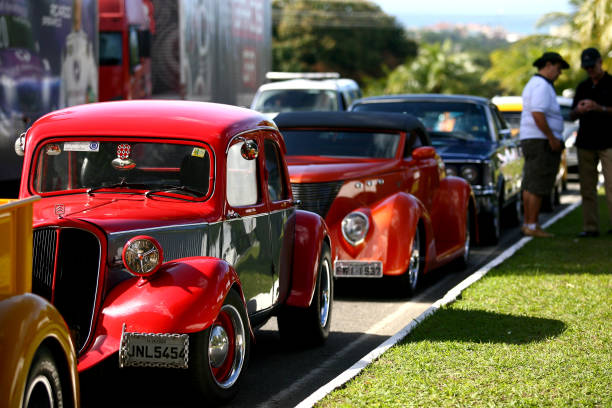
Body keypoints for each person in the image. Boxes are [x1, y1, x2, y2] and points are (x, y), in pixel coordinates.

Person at [519, 52, 569, 237]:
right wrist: (551, 137)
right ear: (548, 65)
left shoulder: (537, 84)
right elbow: (538, 113)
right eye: (558, 68)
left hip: (535, 138)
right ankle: (532, 224)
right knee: (537, 183)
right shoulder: (541, 85)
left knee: (531, 182)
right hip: (540, 140)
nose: (559, 73)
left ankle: (530, 223)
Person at [569, 48, 612, 237]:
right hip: (585, 142)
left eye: (592, 66)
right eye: (586, 68)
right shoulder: (582, 87)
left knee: (611, 186)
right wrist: (579, 109)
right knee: (587, 187)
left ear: (600, 62)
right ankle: (590, 227)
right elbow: (571, 115)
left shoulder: (611, 83)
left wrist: (599, 108)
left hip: (608, 141)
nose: (590, 71)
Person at [59, 0, 98, 108]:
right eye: (75, 11)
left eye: (79, 12)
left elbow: (92, 78)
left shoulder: (86, 44)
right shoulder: (67, 44)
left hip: (83, 104)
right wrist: (62, 106)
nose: (77, 18)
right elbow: (63, 81)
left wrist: (92, 103)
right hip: (70, 104)